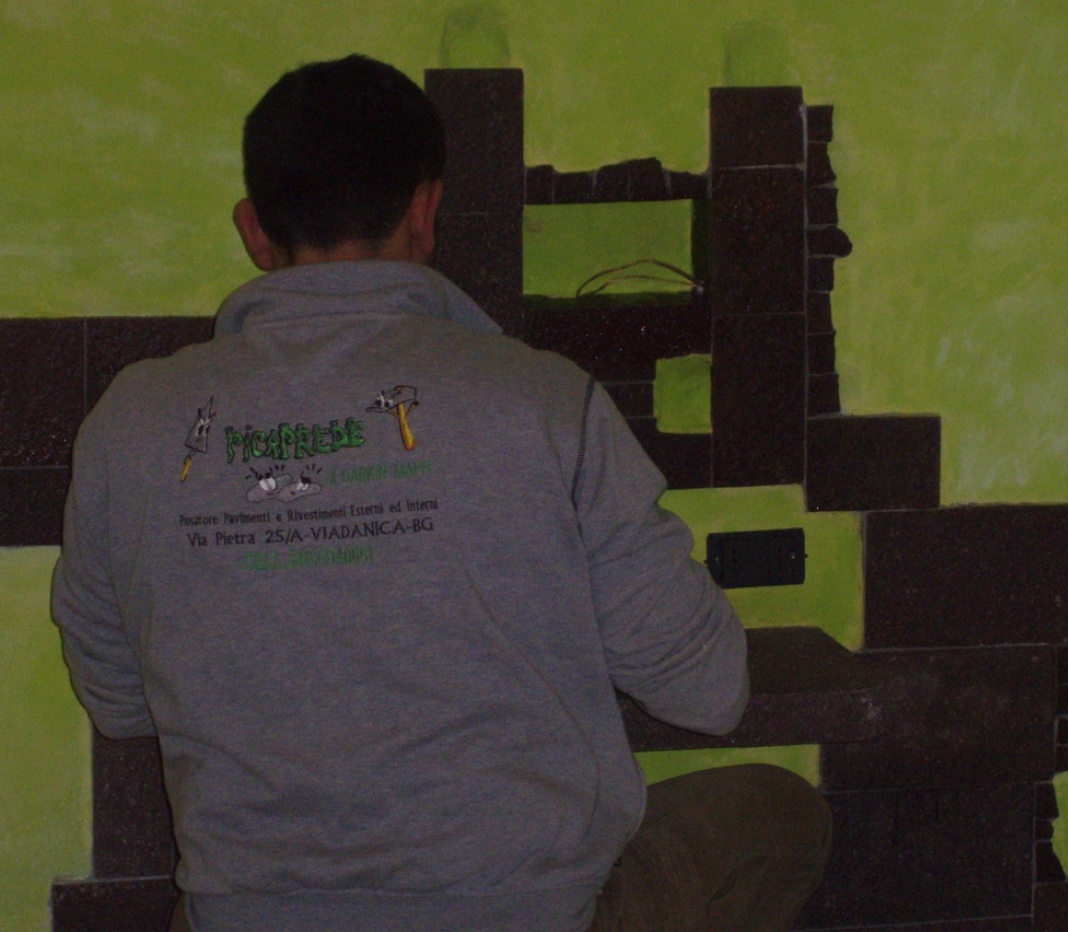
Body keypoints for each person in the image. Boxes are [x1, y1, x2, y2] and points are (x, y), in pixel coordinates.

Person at [51, 54, 830, 931]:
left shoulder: (128, 425)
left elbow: (119, 702)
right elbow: (709, 690)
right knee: (782, 817)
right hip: (525, 915)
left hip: (247, 919)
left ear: (254, 230)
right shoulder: (543, 400)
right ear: (426, 211)